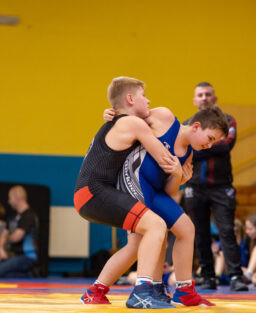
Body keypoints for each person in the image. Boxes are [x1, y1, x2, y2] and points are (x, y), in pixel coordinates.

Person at [76, 77, 180, 309]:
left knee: (137, 242)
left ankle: (96, 291)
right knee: (156, 225)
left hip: (88, 193)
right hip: (95, 192)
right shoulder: (133, 123)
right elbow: (164, 159)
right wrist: (182, 171)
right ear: (130, 99)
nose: (149, 100)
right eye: (144, 96)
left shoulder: (118, 121)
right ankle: (142, 292)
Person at [117, 106, 228, 306]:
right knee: (150, 235)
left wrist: (177, 175)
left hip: (156, 192)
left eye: (214, 142)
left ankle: (184, 290)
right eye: (210, 138)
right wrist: (115, 114)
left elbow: (169, 192)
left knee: (187, 228)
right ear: (196, 126)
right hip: (136, 183)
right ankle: (135, 289)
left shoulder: (190, 154)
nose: (210, 146)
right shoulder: (165, 117)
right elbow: (131, 119)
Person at [183, 82, 248, 291]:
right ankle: (207, 276)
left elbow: (226, 143)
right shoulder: (187, 123)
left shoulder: (228, 120)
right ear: (194, 100)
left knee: (227, 230)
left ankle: (236, 276)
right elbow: (184, 150)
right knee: (199, 233)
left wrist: (199, 146)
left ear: (215, 99)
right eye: (200, 95)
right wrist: (211, 145)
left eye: (208, 94)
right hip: (194, 186)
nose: (204, 98)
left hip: (221, 186)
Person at [0, 186, 38, 278]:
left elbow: (17, 237)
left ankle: (29, 276)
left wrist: (7, 238)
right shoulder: (13, 217)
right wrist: (1, 248)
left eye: (10, 198)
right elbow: (3, 234)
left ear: (17, 197)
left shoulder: (29, 215)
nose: (9, 201)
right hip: (14, 256)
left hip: (27, 256)